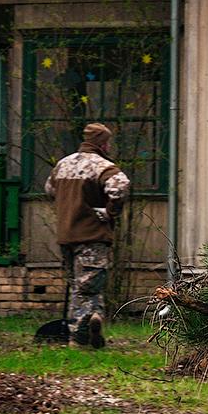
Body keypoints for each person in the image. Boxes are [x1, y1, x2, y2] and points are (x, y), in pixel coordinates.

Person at [44, 122, 130, 349]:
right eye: (108, 142)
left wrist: (67, 209)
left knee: (76, 283)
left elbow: (49, 190)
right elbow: (120, 187)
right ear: (102, 143)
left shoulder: (63, 165)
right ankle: (83, 330)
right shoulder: (103, 166)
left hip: (66, 234)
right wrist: (110, 212)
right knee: (90, 285)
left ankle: (92, 332)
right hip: (93, 234)